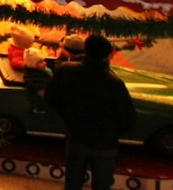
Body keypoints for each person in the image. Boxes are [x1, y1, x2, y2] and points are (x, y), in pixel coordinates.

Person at [42, 32, 136, 190]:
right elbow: (128, 118)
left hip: (76, 137)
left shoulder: (66, 71)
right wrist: (112, 132)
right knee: (102, 184)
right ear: (107, 56)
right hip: (105, 143)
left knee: (72, 181)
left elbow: (50, 96)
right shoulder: (114, 83)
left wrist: (68, 117)